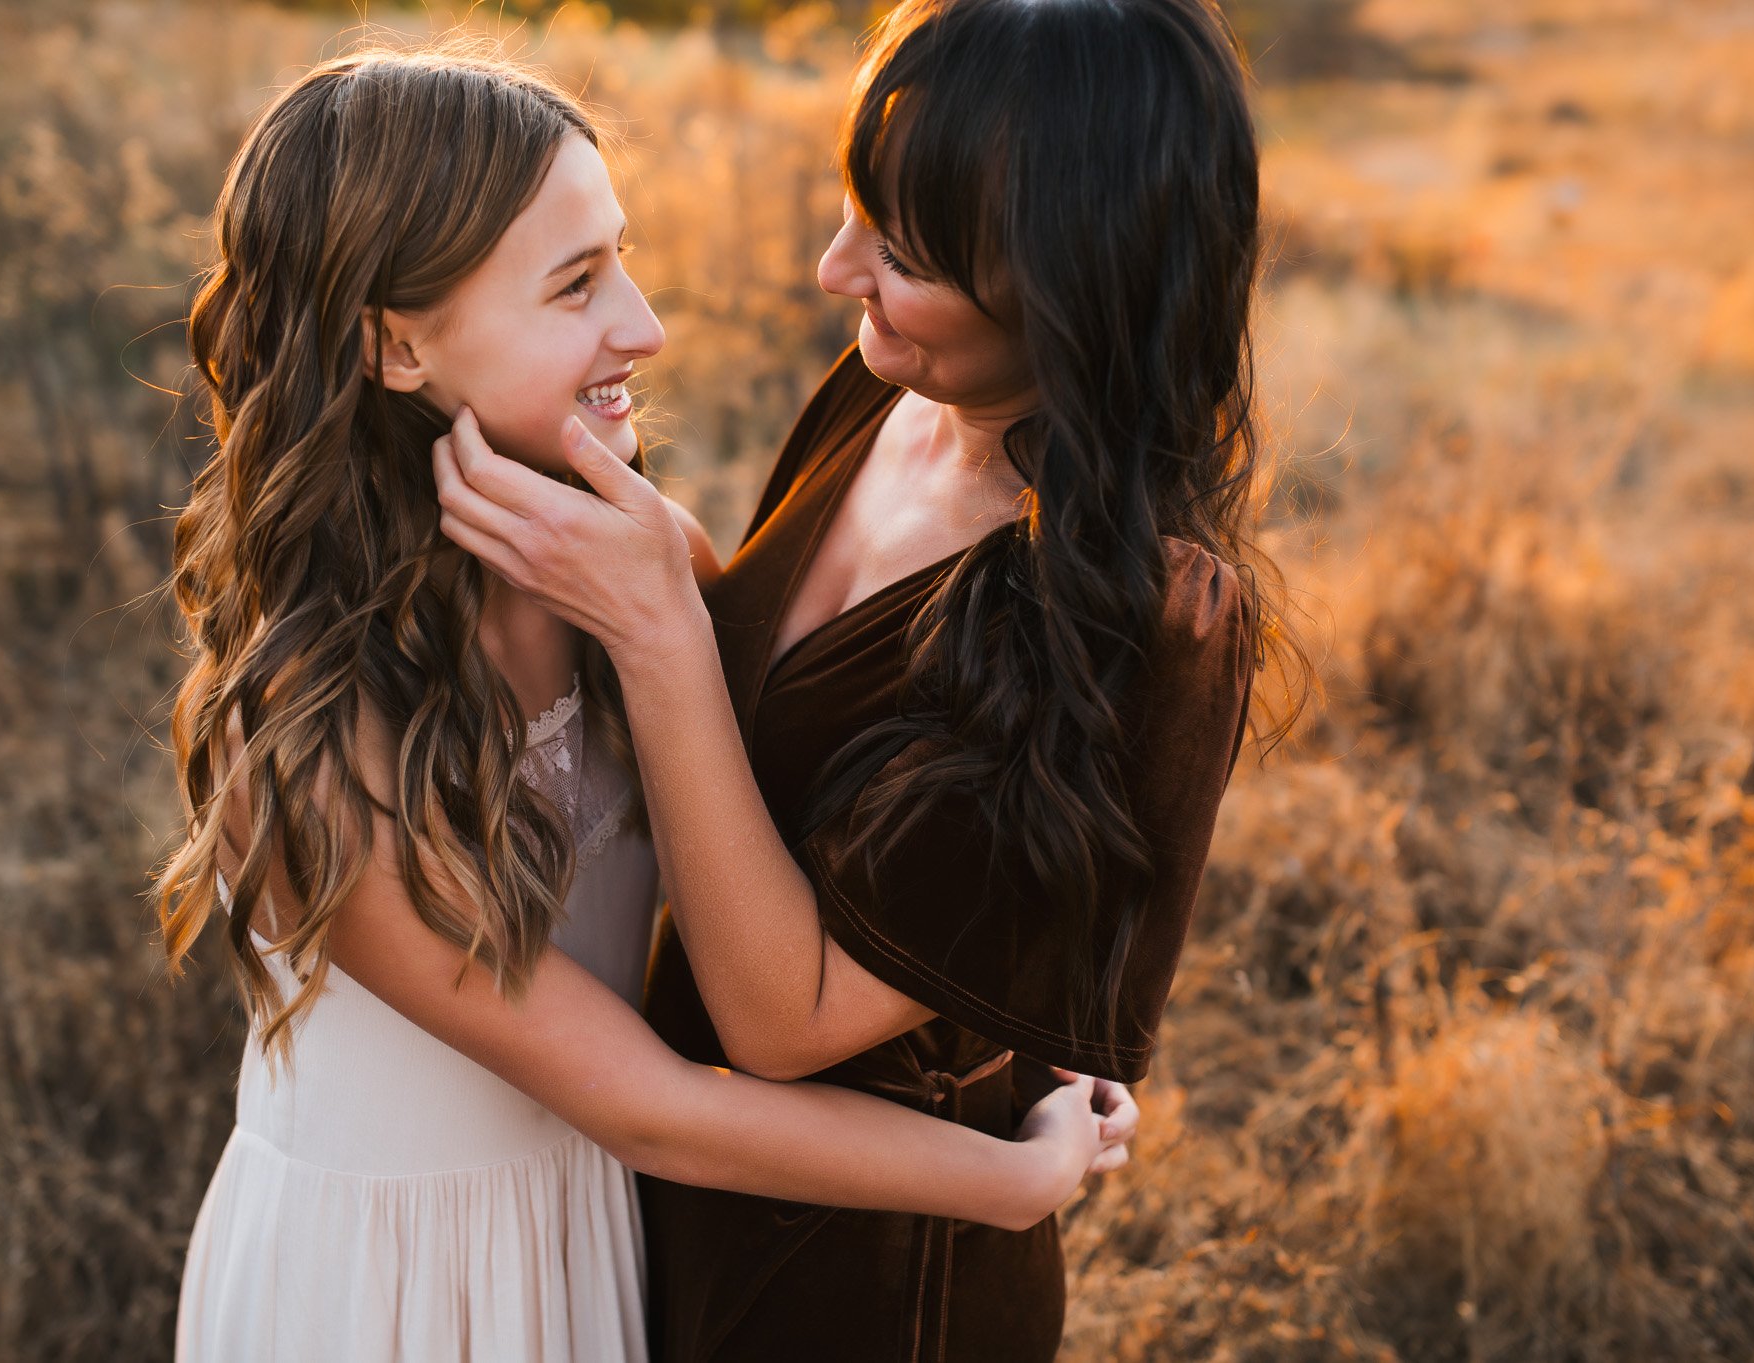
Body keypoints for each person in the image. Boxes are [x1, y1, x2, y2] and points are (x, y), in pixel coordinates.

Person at [152, 44, 1135, 1363]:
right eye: (575, 286)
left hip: (598, 1236)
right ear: (395, 343)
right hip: (390, 1284)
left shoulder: (637, 557)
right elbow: (655, 1109)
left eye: (620, 255)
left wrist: (1008, 1031)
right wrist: (1010, 1179)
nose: (645, 324)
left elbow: (791, 854)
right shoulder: (315, 733)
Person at [430, 0, 1311, 1356]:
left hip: (869, 1274)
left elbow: (791, 1020)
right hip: (679, 1179)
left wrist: (659, 626)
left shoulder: (1136, 617)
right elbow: (771, 716)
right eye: (855, 211)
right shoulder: (899, 399)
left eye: (901, 254)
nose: (837, 270)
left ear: (1078, 284)